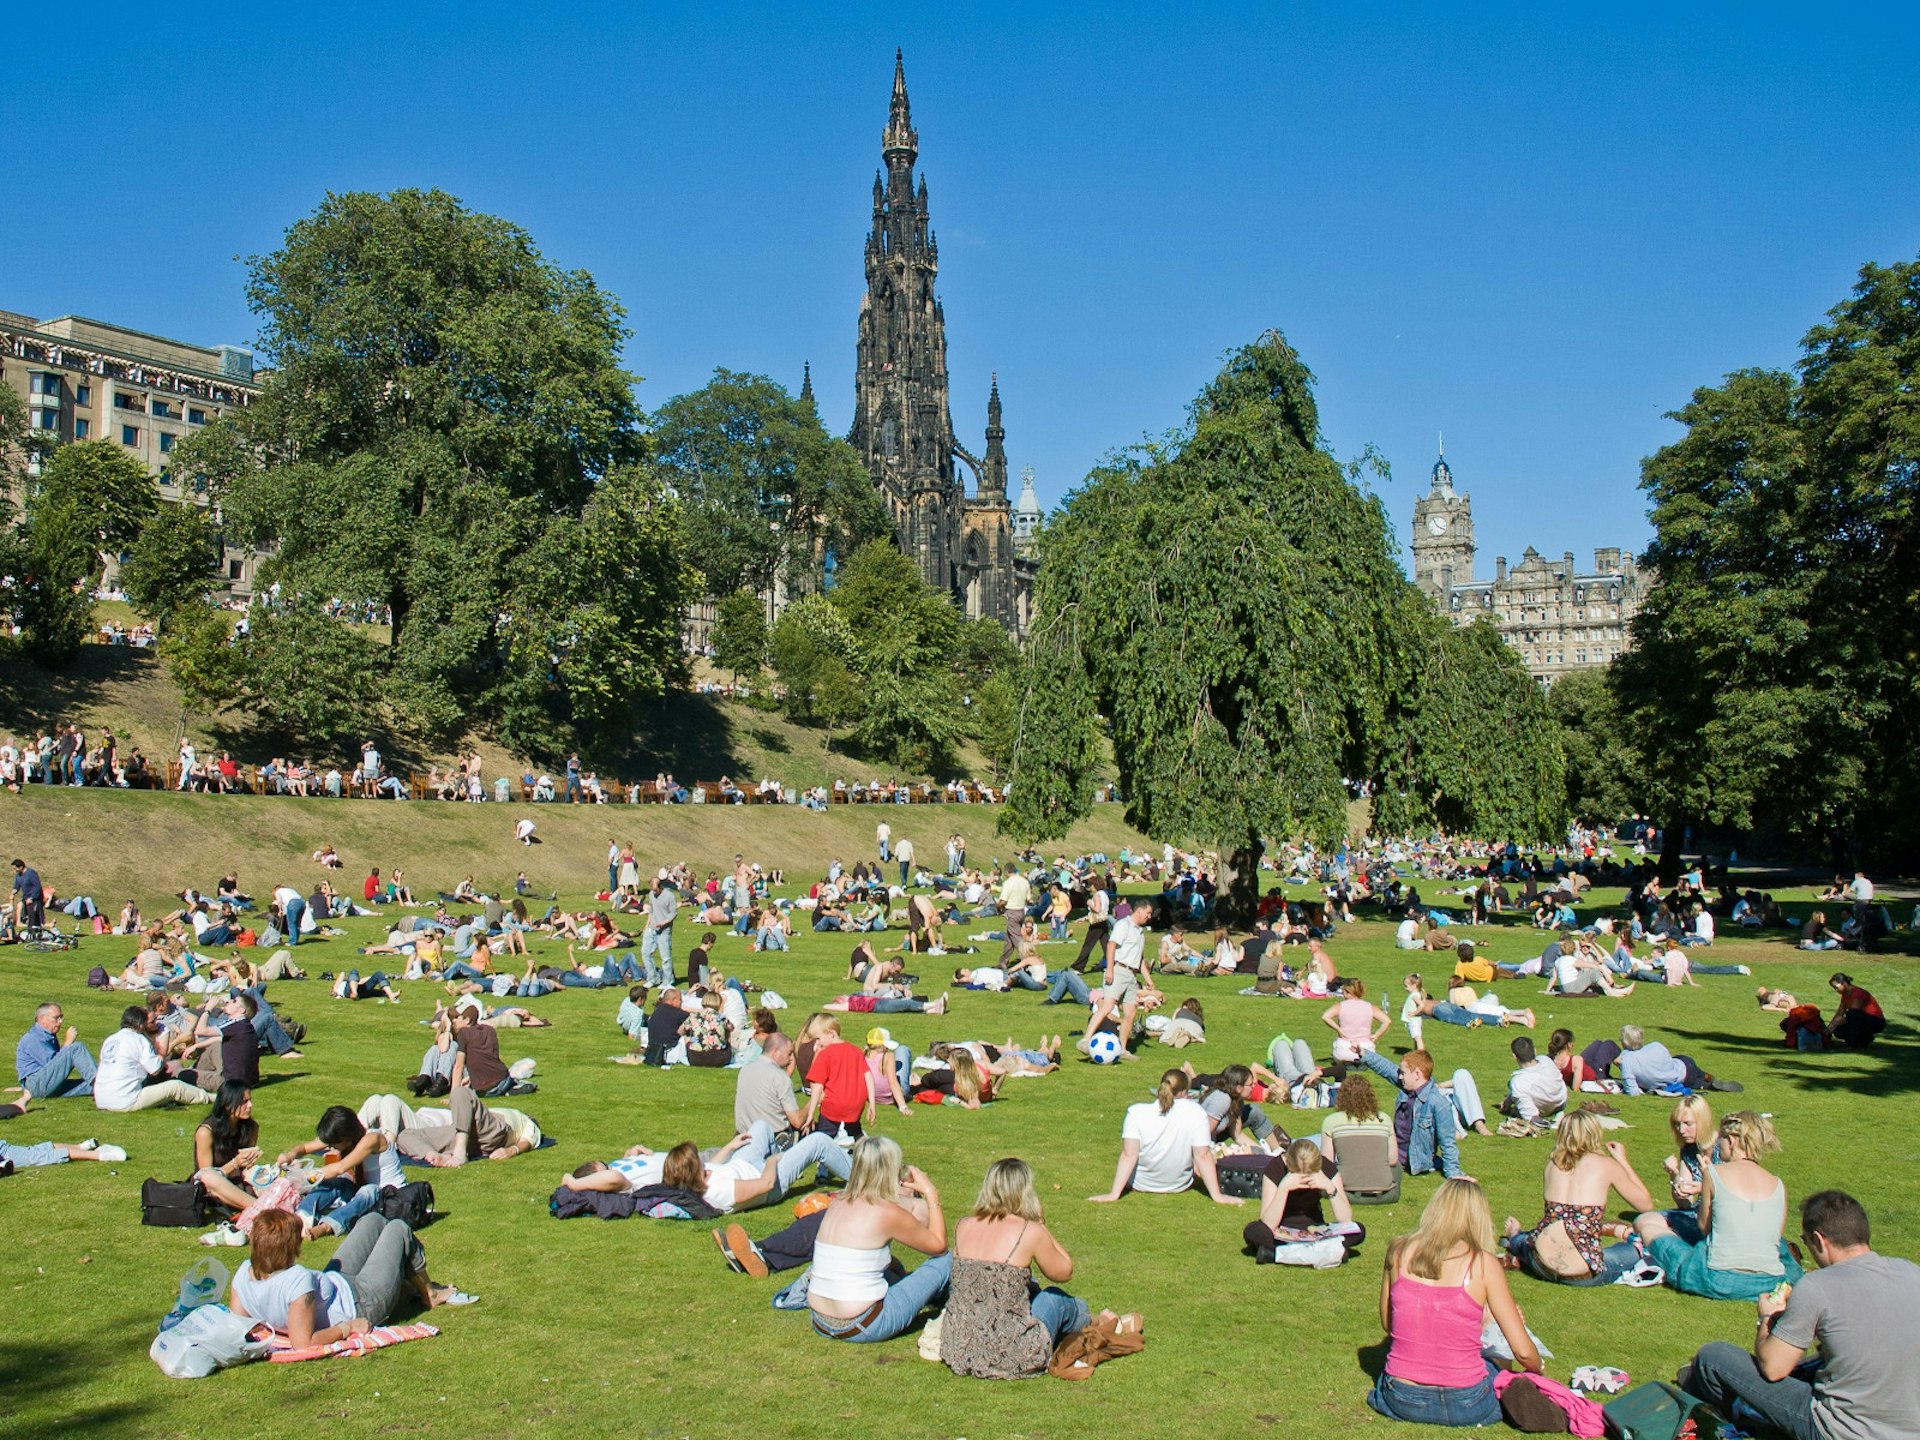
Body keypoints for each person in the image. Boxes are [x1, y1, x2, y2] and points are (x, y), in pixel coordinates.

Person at [1681, 1190, 1920, 1440]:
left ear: (1819, 1240)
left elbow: (1774, 1368)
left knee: (1714, 1356)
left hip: (1839, 1430)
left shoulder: (1817, 1286)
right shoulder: (1912, 1273)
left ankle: (1734, 1417)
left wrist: (1766, 1319)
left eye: (1805, 1242)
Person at [1369, 1179, 1542, 1426]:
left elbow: (1389, 1323)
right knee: (1499, 1362)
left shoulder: (1398, 1252)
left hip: (1402, 1396)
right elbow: (1524, 1352)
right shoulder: (1484, 1264)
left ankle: (1487, 1323)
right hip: (1467, 1401)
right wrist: (1538, 1372)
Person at [942, 1157, 1130, 1377]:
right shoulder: (1028, 1230)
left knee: (1032, 1287)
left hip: (960, 1345)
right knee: (1056, 1299)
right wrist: (1041, 1224)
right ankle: (1097, 1321)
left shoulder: (962, 1225)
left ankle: (1093, 1319)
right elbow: (1064, 1271)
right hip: (1010, 1352)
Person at [229, 1209, 474, 1347]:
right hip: (362, 1302)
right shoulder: (296, 1282)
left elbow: (238, 1323)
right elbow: (303, 1343)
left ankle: (405, 1285)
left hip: (337, 1282)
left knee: (374, 1220)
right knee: (398, 1228)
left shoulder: (243, 1274)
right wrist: (347, 1328)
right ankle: (429, 1293)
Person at [1633, 1111, 1802, 1300]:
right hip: (1770, 1281)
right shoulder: (1777, 1184)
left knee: (1646, 1223)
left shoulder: (1714, 1173)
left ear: (1731, 1140)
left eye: (1720, 1138)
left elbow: (1704, 1228)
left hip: (1715, 1279)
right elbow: (1775, 1238)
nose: (1717, 1144)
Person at [808, 1135, 951, 1343]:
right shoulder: (887, 1213)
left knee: (893, 1267)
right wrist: (931, 1194)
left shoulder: (838, 1202)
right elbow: (939, 1246)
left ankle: (935, 1297)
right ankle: (956, 1308)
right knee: (945, 1261)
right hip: (863, 1325)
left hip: (820, 1321)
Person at [1501, 1111, 1652, 1285]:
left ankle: (1514, 1239)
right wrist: (1622, 1161)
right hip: (1583, 1272)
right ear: (1594, 1132)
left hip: (1540, 1264)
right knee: (1637, 1248)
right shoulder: (1606, 1165)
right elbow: (1645, 1204)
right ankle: (1516, 1241)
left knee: (1528, 1238)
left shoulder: (1552, 1163)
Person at [1088, 1069, 1242, 1205]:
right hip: (1179, 1185)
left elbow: (1129, 1155)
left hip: (1139, 1184)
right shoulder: (1195, 1112)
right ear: (1183, 1092)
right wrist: (1217, 1195)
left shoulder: (1136, 1113)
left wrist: (1114, 1194)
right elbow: (1203, 1155)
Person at [660, 1120, 851, 1214]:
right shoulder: (720, 1191)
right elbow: (765, 1184)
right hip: (769, 1181)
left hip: (743, 1163)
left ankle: (792, 1162)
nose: (701, 1161)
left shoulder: (697, 1179)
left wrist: (731, 1146)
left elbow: (713, 1164)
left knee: (761, 1126)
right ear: (692, 1172)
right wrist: (773, 1161)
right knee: (818, 1142)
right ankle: (865, 1176)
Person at [1360, 1049, 1487, 1181]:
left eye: (1403, 1073)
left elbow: (1448, 1142)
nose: (1400, 1077)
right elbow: (1387, 1068)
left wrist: (1453, 1173)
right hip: (1392, 1156)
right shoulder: (1407, 1087)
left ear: (1417, 1074)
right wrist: (1364, 1053)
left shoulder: (1438, 1103)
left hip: (1415, 1163)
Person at [1244, 1138, 1362, 1264]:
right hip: (1282, 1231)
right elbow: (1268, 1222)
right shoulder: (1275, 1168)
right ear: (1288, 1164)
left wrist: (1330, 1187)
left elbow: (1345, 1219)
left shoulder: (1327, 1167)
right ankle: (1327, 1252)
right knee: (1253, 1231)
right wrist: (1283, 1188)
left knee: (1359, 1229)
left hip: (1315, 1231)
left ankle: (1276, 1255)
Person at [95, 1006, 214, 1112]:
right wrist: (161, 1053)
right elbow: (155, 1069)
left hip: (101, 1099)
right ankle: (212, 1098)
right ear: (141, 1024)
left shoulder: (110, 1039)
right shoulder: (138, 1039)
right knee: (175, 1087)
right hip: (125, 1101)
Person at [1075, 903, 1150, 1062]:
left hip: (1132, 975)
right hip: (1119, 970)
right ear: (1140, 910)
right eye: (1148, 913)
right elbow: (1111, 945)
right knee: (1108, 1005)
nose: (1149, 917)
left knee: (1131, 1013)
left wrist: (1149, 980)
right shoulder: (1124, 925)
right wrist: (1110, 969)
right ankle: (1085, 1040)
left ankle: (1122, 1049)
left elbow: (1140, 958)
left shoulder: (1140, 932)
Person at [802, 1017, 876, 1142]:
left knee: (823, 1139)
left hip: (834, 1105)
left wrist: (810, 1113)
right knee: (854, 1129)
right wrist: (872, 1104)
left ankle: (824, 1156)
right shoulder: (856, 1051)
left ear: (831, 1033)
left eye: (818, 1039)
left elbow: (817, 1086)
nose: (818, 1043)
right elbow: (868, 1077)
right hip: (855, 1105)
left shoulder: (825, 1054)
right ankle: (865, 1150)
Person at [192, 1080, 262, 1211]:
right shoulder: (206, 1132)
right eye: (244, 1102)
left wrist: (250, 1161)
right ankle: (260, 1208)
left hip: (239, 1180)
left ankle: (264, 1205)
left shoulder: (251, 1127)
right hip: (213, 1186)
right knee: (209, 1177)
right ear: (228, 1105)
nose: (250, 1105)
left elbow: (247, 1169)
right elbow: (204, 1175)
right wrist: (235, 1164)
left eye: (250, 1100)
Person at [14, 1002, 97, 1099]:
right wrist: (67, 1043)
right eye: (56, 1018)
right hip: (37, 1085)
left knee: (88, 1085)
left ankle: (104, 1085)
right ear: (42, 1019)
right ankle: (99, 1083)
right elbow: (50, 1064)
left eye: (61, 1017)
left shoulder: (48, 1036)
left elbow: (53, 1070)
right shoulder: (33, 1038)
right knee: (76, 1048)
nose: (60, 1021)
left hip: (43, 1084)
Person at [735, 1033, 808, 1140]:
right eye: (789, 1053)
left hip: (743, 1135)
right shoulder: (780, 1077)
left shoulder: (745, 1070)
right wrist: (813, 1102)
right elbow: (797, 1121)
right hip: (774, 1138)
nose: (792, 1059)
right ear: (776, 1052)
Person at [1318, 1072, 1398, 1167]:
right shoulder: (1384, 1119)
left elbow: (1327, 1162)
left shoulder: (1331, 1121)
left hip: (1345, 1179)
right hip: (1381, 1180)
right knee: (1397, 1168)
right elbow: (1392, 1160)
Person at [1503, 1035, 1568, 1127]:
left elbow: (1530, 1115)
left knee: (1516, 1110)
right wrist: (1509, 1100)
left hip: (1544, 1109)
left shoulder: (1518, 1081)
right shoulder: (1546, 1060)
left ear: (1515, 1056)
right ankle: (1558, 1113)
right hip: (1561, 1101)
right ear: (1535, 1050)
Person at [1323, 978, 1390, 1062]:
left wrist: (1338, 1030)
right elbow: (1387, 1021)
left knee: (1338, 1048)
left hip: (1345, 1048)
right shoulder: (1370, 1006)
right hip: (1366, 1049)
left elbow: (1325, 1016)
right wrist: (1376, 1035)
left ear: (1348, 993)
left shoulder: (1340, 1006)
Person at [1824, 973, 1886, 1048]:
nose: (1835, 990)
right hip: (1862, 1020)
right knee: (1838, 1031)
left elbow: (1854, 1014)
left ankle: (1852, 1044)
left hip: (1876, 1021)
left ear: (1844, 983)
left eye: (1836, 987)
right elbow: (1839, 1014)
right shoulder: (1845, 996)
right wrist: (1828, 1030)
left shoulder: (1857, 993)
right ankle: (1864, 1039)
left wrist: (1841, 1021)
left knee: (1852, 1015)